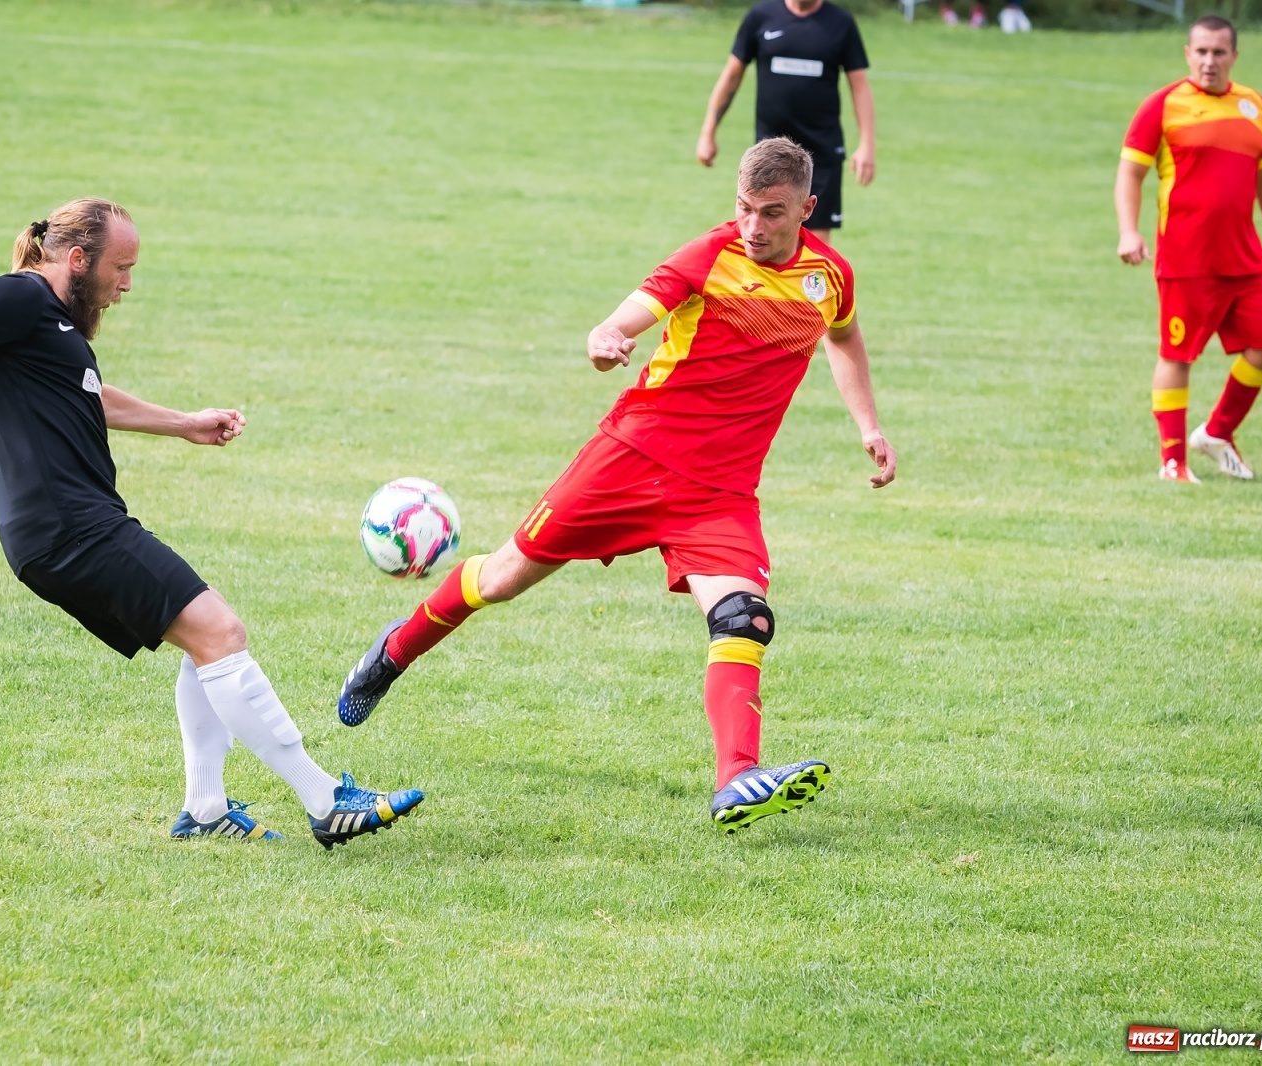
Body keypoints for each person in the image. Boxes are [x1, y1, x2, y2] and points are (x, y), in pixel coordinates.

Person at [0, 198, 423, 849]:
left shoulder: (53, 324)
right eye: (122, 268)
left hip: (73, 525)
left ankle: (205, 807)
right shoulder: (17, 298)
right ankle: (324, 800)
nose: (127, 285)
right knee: (221, 632)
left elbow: (87, 394)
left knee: (205, 638)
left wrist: (183, 422)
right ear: (77, 260)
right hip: (66, 528)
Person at [337, 139, 896, 833]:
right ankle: (393, 653)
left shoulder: (829, 276)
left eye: (772, 213)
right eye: (744, 208)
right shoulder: (708, 257)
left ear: (807, 209)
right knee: (506, 576)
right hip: (633, 458)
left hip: (720, 493)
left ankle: (736, 780)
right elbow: (626, 315)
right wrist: (605, 339)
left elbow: (842, 337)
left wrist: (868, 424)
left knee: (744, 619)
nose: (753, 226)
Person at [1116, 15, 1262, 482]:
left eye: (1218, 52)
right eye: (1201, 51)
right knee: (1178, 356)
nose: (1209, 61)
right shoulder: (1163, 105)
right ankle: (1173, 461)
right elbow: (1130, 173)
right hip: (1186, 259)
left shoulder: (1254, 107)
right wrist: (1128, 231)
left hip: (1245, 257)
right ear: (1187, 53)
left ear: (1235, 55)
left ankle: (1216, 433)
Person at [697, 0, 874, 245]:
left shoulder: (841, 23)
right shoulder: (761, 16)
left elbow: (860, 86)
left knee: (815, 242)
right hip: (769, 156)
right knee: (760, 235)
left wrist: (866, 144)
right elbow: (731, 76)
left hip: (821, 152)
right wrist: (708, 132)